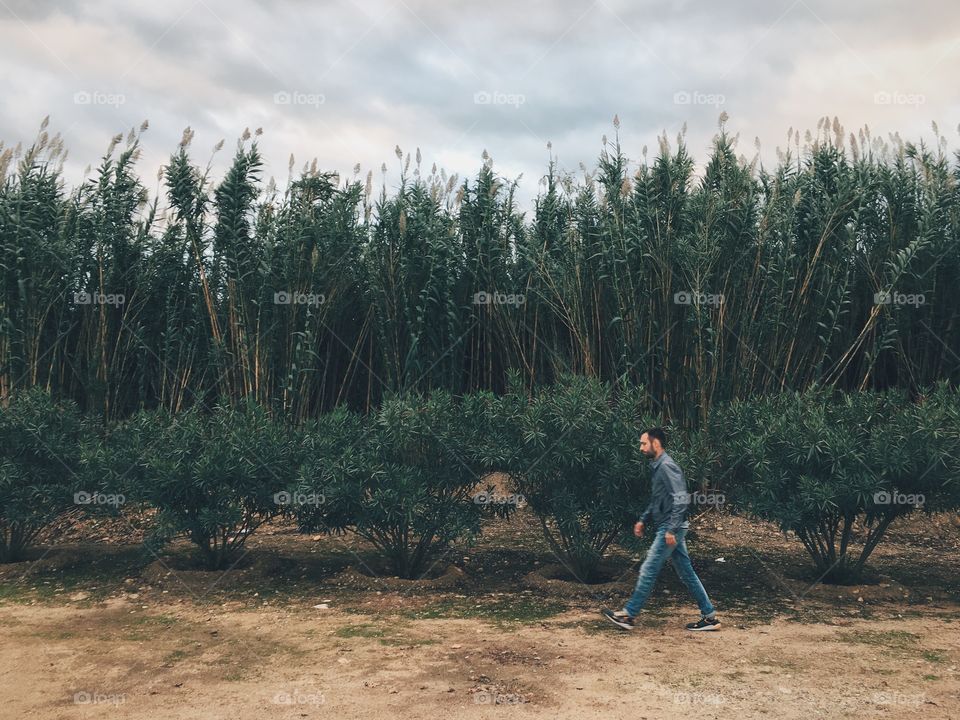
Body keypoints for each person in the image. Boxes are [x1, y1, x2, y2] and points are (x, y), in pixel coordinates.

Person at [602, 427, 720, 631]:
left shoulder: (667, 466)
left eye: (643, 443)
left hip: (670, 526)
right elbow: (658, 499)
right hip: (670, 525)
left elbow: (681, 499)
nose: (640, 448)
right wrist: (643, 520)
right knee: (686, 573)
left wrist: (671, 530)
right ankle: (710, 617)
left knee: (648, 568)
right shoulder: (658, 466)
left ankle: (629, 616)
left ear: (655, 444)